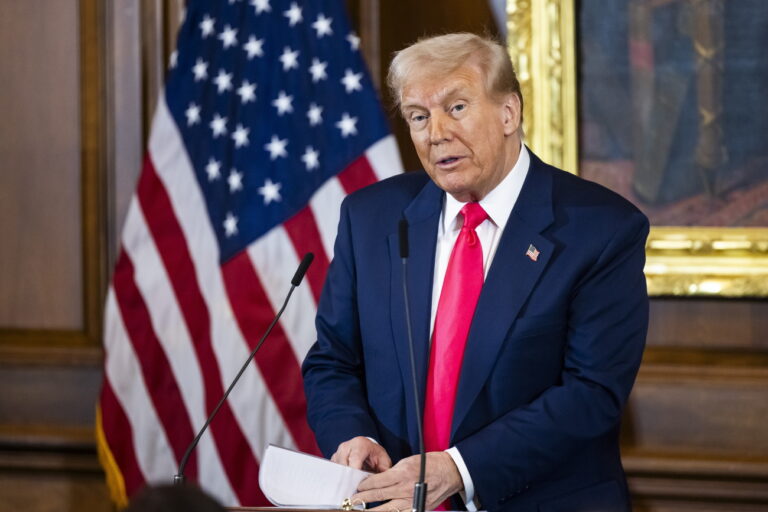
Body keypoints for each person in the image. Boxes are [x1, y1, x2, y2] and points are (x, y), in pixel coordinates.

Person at [302, 33, 649, 512]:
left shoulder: (601, 229)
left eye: (457, 107)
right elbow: (333, 359)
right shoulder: (371, 218)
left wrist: (459, 469)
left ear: (509, 113)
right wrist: (352, 435)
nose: (436, 132)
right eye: (419, 117)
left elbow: (591, 393)